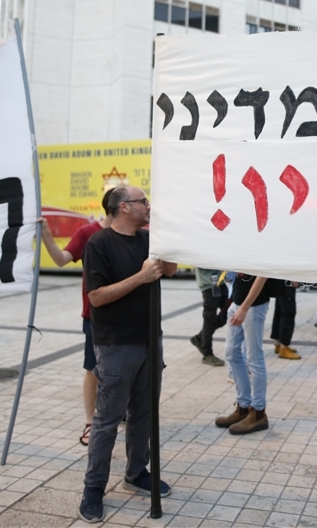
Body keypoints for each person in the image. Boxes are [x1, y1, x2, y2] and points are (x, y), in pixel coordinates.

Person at [78, 186, 177, 523]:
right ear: (124, 207)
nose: (148, 206)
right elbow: (97, 297)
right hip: (116, 343)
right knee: (107, 420)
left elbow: (172, 270)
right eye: (142, 202)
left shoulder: (149, 239)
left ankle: (137, 472)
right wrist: (141, 277)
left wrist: (168, 237)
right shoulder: (99, 243)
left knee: (145, 413)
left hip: (151, 339)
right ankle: (93, 487)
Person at [41, 188, 115, 445]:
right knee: (93, 368)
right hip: (94, 315)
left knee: (124, 367)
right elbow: (62, 259)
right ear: (118, 207)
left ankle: (121, 412)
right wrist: (47, 236)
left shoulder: (137, 235)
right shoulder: (88, 233)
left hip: (126, 316)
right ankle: (90, 421)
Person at [216, 274, 281, 435]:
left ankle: (258, 412)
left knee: (254, 358)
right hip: (238, 300)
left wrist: (244, 308)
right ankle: (243, 406)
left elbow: (262, 275)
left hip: (254, 305)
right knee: (231, 353)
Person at [191, 268, 228, 367]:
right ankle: (207, 354)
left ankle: (200, 338)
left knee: (228, 312)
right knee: (209, 319)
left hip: (220, 282)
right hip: (209, 285)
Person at [269, 279, 300, 359]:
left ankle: (278, 343)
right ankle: (284, 346)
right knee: (288, 311)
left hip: (280, 278)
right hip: (287, 278)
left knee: (279, 309)